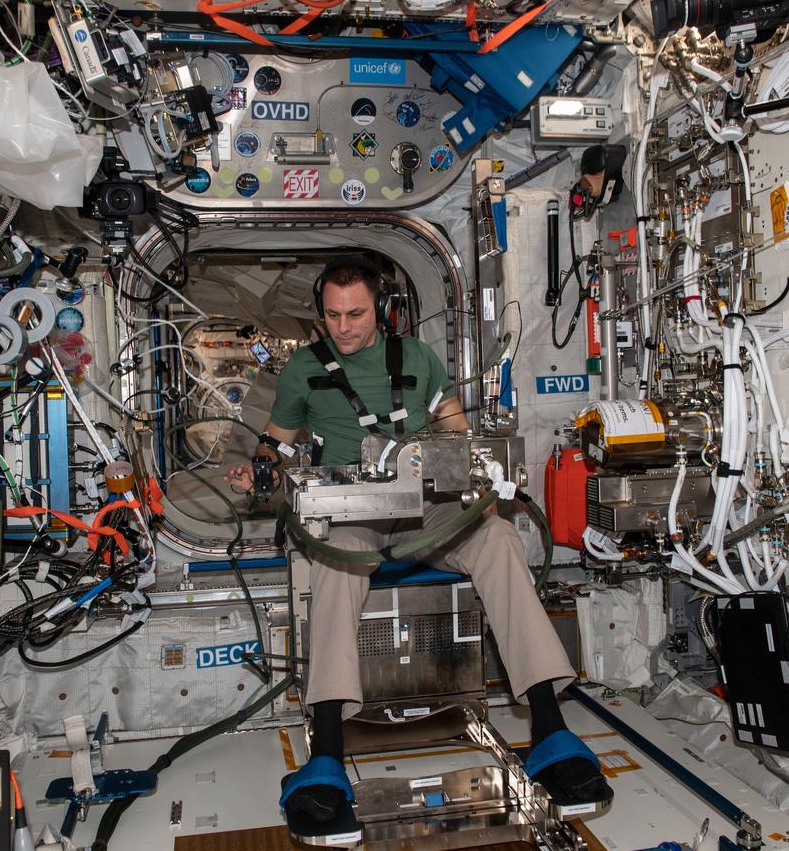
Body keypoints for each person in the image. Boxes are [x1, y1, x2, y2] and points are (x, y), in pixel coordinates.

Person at [226, 259, 612, 836]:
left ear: (378, 309)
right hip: (351, 514)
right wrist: (256, 471)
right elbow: (273, 447)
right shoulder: (304, 370)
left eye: (356, 314)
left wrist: (470, 465)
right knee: (332, 561)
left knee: (499, 538)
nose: (344, 326)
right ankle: (327, 754)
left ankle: (551, 730)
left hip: (426, 507)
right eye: (332, 315)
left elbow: (459, 434)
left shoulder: (419, 360)